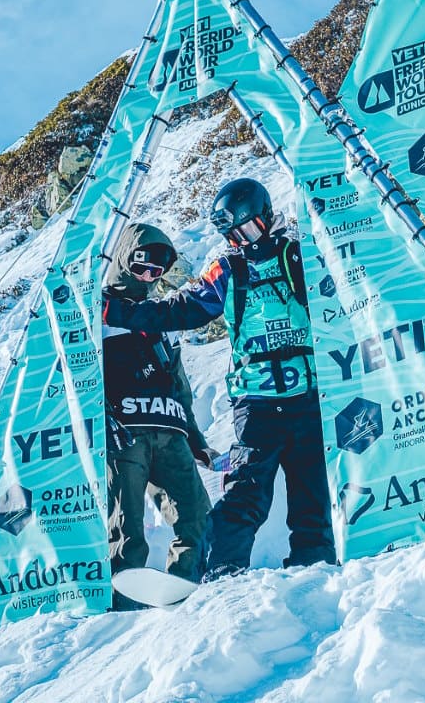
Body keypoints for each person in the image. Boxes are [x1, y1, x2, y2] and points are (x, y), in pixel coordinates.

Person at [103, 178, 336, 580]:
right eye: (233, 233)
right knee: (247, 489)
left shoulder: (297, 256)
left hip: (306, 394)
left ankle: (313, 566)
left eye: (248, 229)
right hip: (256, 401)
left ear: (265, 217)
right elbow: (184, 308)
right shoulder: (228, 267)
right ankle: (224, 569)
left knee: (311, 488)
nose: (242, 240)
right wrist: (118, 312)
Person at [102, 223, 214, 601]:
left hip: (171, 433)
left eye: (158, 270)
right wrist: (101, 421)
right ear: (123, 260)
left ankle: (188, 593)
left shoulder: (162, 317)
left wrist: (197, 442)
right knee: (126, 529)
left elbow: (179, 384)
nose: (149, 276)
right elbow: (76, 378)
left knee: (197, 517)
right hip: (125, 434)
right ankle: (122, 610)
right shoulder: (94, 311)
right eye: (141, 267)